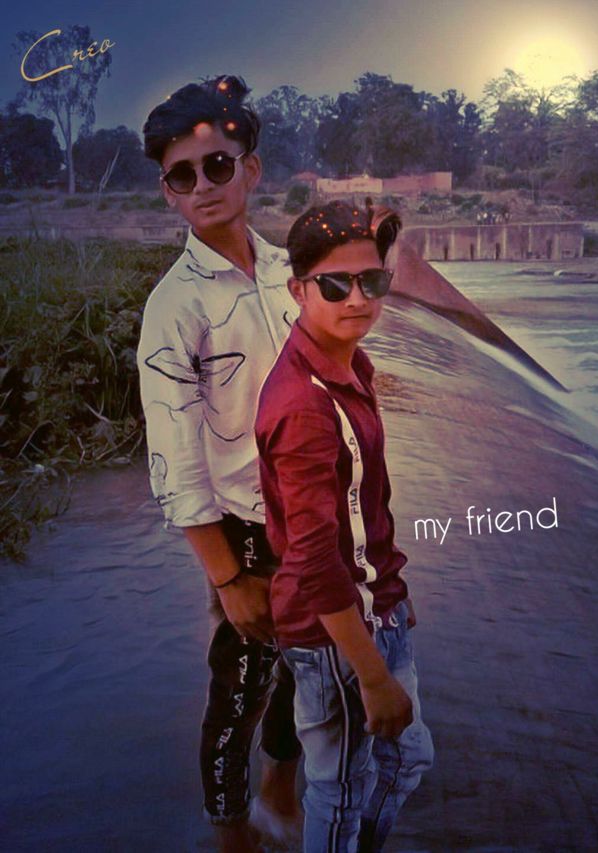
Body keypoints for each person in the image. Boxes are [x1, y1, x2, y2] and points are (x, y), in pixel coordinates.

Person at [137, 75, 302, 852]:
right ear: (168, 191)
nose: (202, 184)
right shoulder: (176, 307)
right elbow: (173, 457)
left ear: (250, 169)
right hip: (245, 531)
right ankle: (231, 833)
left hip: (314, 519)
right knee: (238, 690)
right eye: (182, 174)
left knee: (304, 665)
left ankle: (281, 790)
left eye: (217, 165)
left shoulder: (290, 272)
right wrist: (230, 578)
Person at [255, 201, 435, 852]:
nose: (358, 298)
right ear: (297, 290)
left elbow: (365, 509)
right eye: (335, 284)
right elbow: (313, 559)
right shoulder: (305, 405)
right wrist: (374, 675)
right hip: (334, 637)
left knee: (405, 759)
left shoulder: (349, 365)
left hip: (374, 610)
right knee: (339, 789)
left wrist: (391, 595)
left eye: (372, 280)